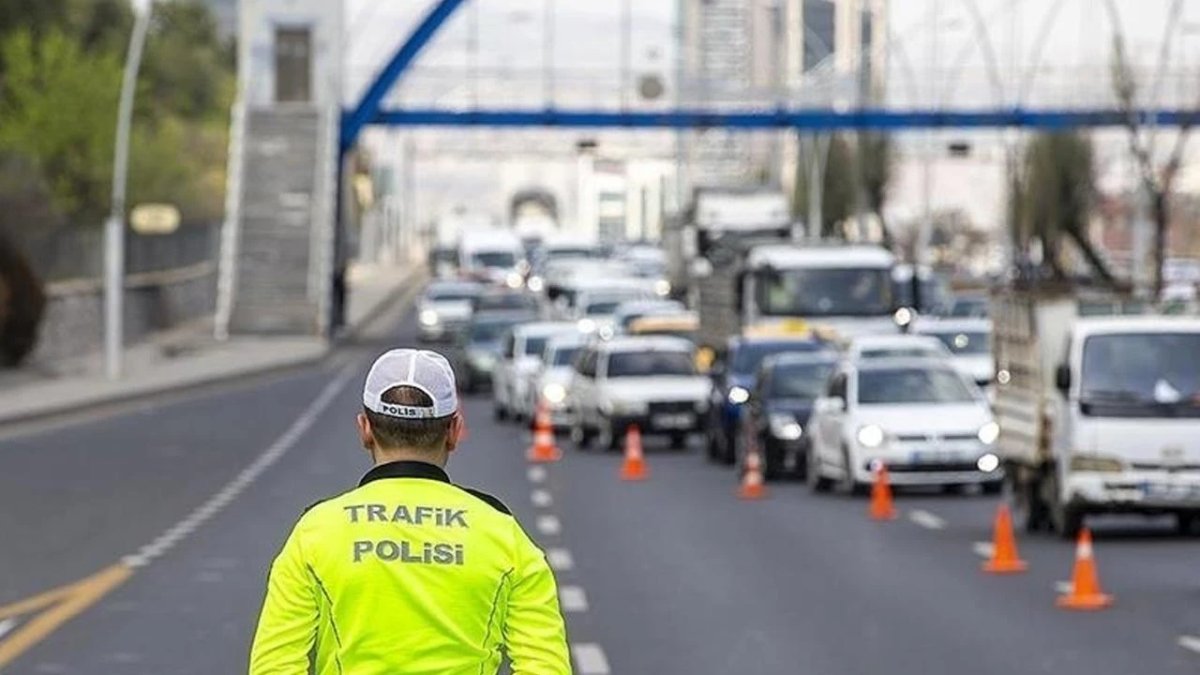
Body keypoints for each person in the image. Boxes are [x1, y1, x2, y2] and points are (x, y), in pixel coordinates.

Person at [249, 349, 571, 674]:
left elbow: (274, 667)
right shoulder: (504, 535)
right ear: (454, 431)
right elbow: (545, 667)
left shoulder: (315, 533)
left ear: (365, 429)